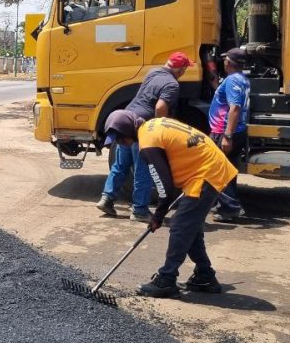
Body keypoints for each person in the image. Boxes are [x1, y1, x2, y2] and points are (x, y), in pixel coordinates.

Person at [101, 109, 239, 298]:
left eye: (119, 138)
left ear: (127, 130)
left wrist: (157, 216)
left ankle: (166, 279)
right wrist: (159, 214)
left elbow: (163, 187)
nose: (120, 143)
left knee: (180, 227)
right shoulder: (151, 127)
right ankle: (205, 276)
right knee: (190, 227)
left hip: (206, 173)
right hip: (206, 169)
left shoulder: (148, 143)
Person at [96, 52, 191, 222]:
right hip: (142, 127)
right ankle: (139, 210)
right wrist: (158, 130)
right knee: (143, 169)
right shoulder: (172, 84)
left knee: (121, 164)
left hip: (126, 120)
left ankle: (107, 198)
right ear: (181, 70)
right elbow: (161, 107)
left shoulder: (153, 72)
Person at [208, 48, 250, 222]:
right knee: (227, 168)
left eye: (225, 59)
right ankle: (223, 204)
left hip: (224, 131)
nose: (223, 62)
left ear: (229, 62)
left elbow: (234, 108)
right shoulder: (241, 79)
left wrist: (227, 136)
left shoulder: (232, 80)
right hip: (235, 130)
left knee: (218, 169)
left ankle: (231, 207)